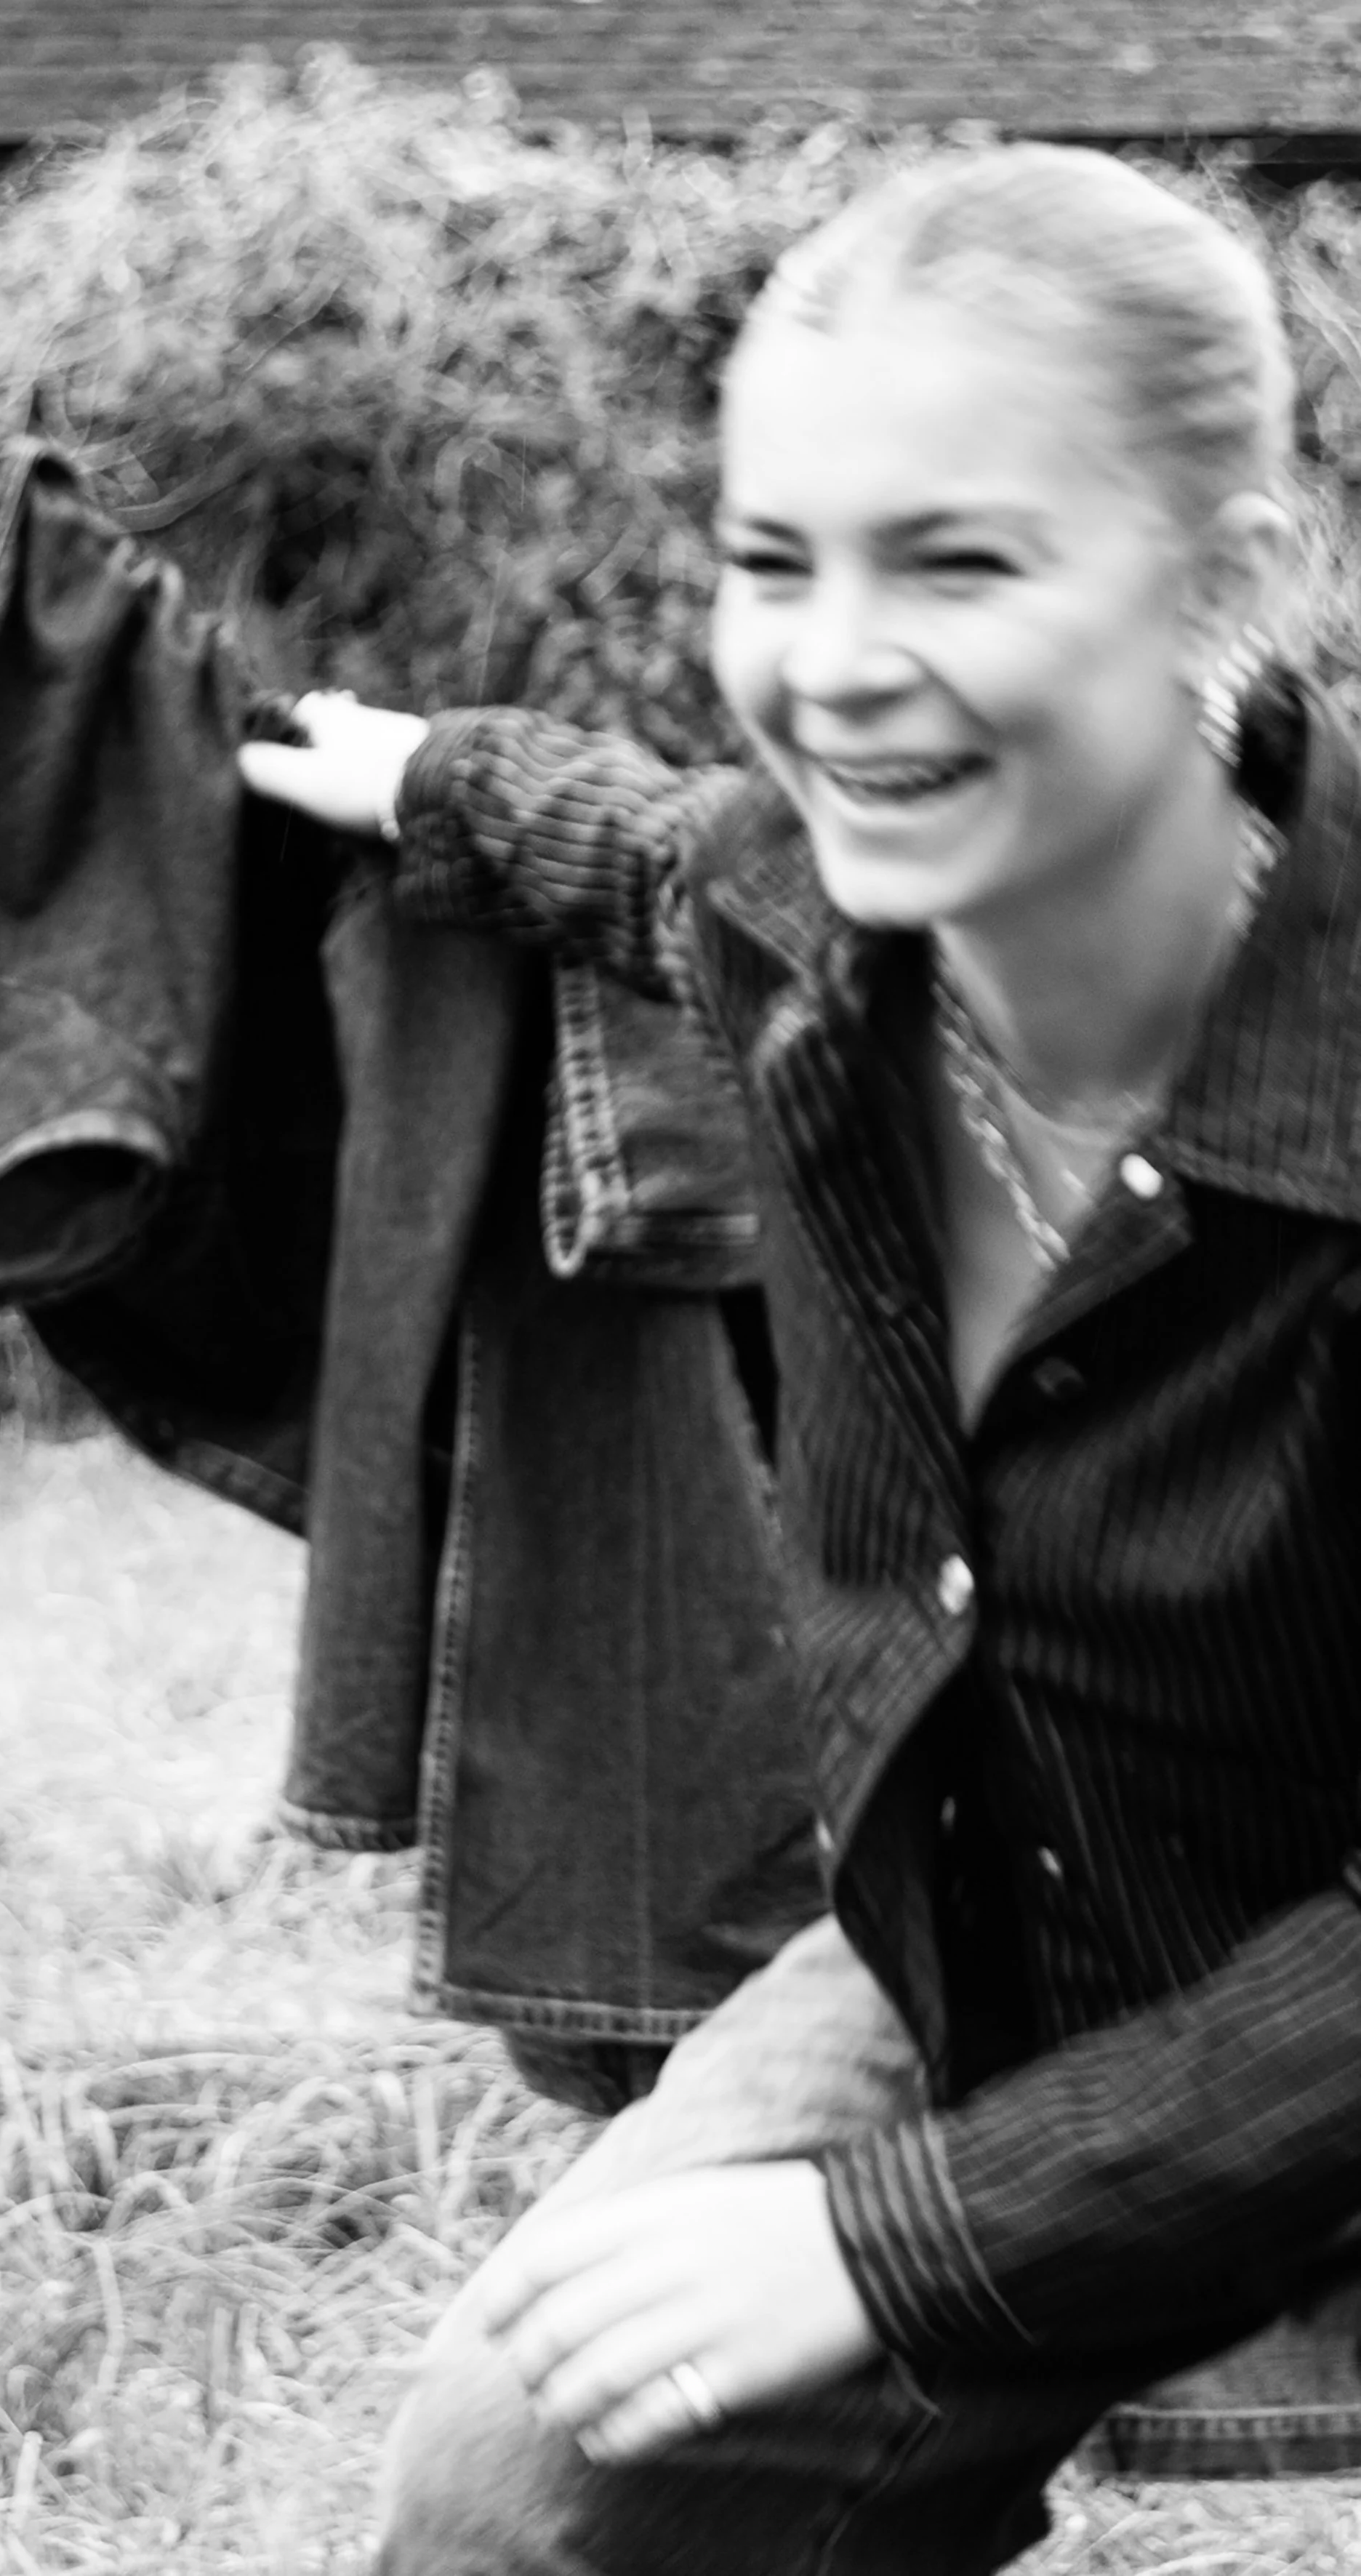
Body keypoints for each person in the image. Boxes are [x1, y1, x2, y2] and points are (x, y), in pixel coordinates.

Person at [238, 143, 1361, 2575]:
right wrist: (417, 773)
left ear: (1230, 584)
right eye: (775, 560)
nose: (835, 661)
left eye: (955, 563)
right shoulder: (797, 917)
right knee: (520, 2475)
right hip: (1008, 1939)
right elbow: (649, 846)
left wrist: (894, 2241)